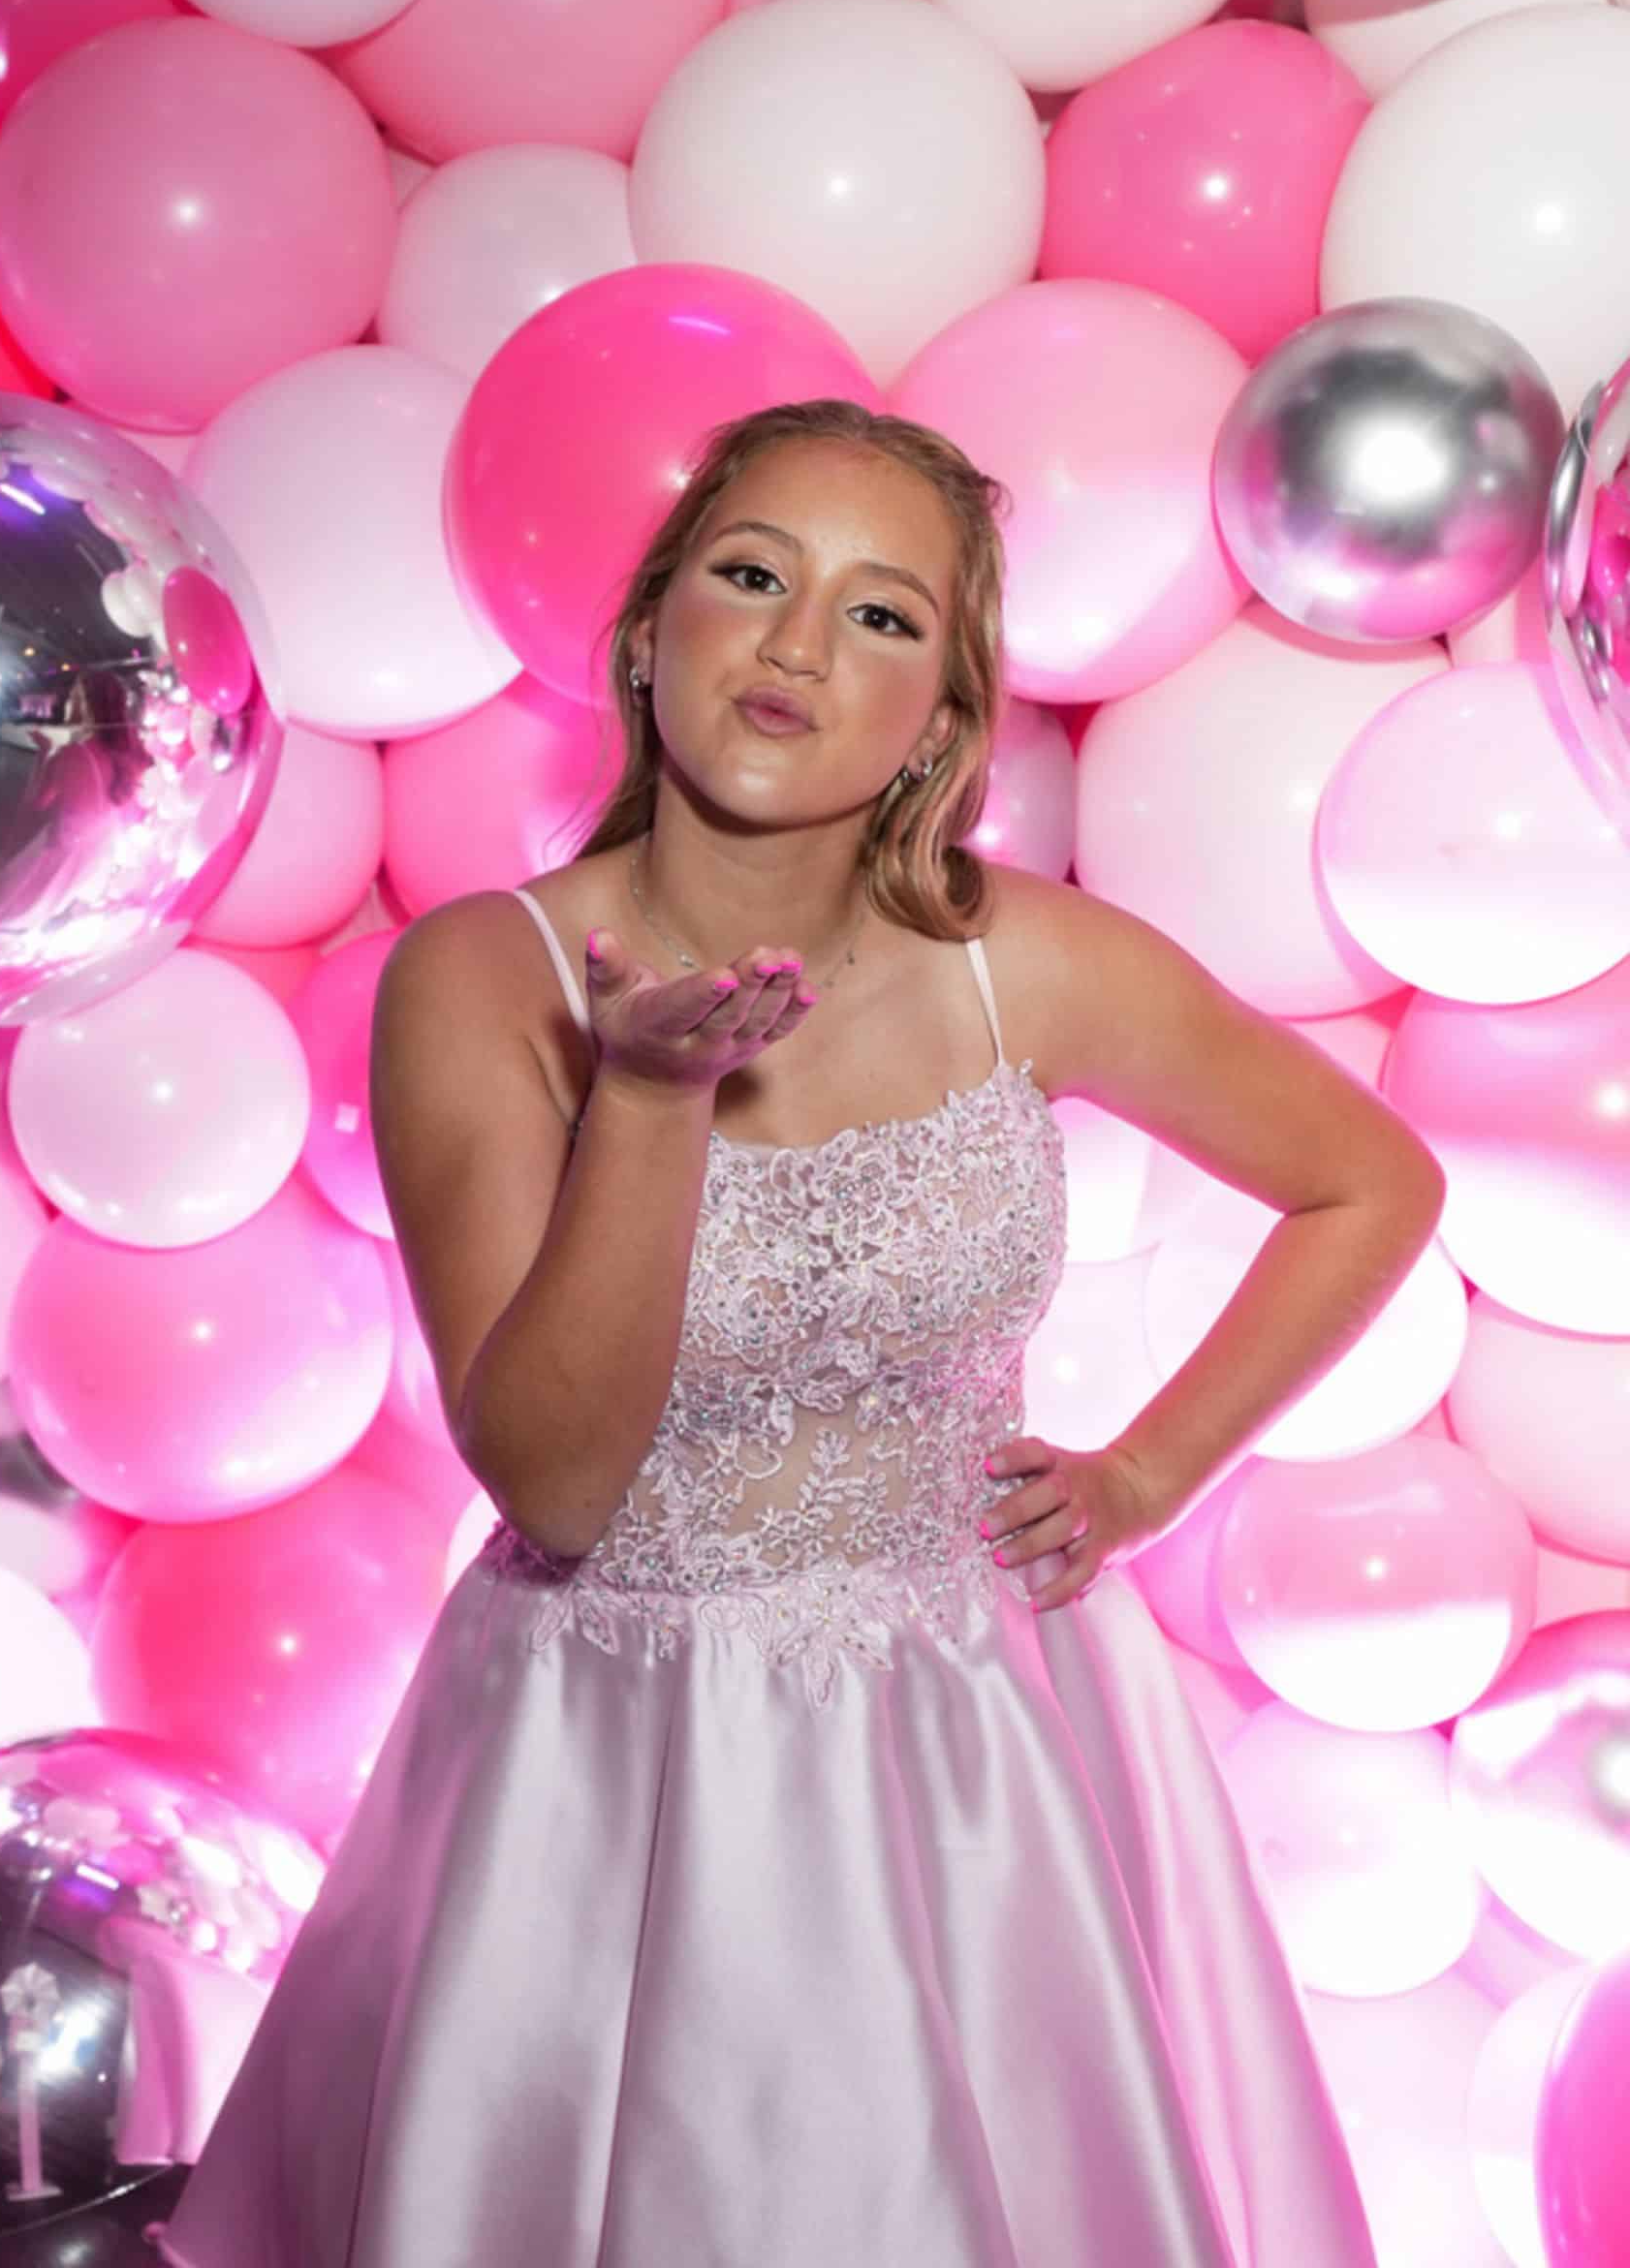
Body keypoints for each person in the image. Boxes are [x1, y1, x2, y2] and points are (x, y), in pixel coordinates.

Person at [152, 397, 1442, 2267]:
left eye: (882, 614)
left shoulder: (1033, 961)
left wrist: (1148, 1473)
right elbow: (557, 1479)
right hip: (607, 1768)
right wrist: (652, 1107)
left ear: (944, 714)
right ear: (652, 625)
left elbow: (1369, 1182)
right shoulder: (483, 977)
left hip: (986, 1759)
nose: (797, 644)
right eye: (753, 576)